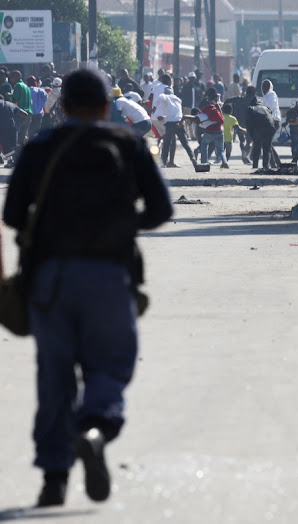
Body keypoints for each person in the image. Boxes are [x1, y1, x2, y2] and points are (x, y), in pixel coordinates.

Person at [2, 68, 172, 508]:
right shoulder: (128, 145)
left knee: (55, 377)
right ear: (104, 107)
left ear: (61, 106)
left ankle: (53, 480)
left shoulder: (40, 147)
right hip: (108, 276)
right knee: (110, 365)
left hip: (50, 281)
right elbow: (160, 210)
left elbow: (14, 215)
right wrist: (118, 226)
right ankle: (94, 430)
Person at [152, 76, 198, 168]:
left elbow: (160, 98)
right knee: (185, 144)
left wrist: (154, 107)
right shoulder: (178, 99)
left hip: (170, 125)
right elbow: (174, 114)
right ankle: (193, 159)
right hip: (180, 123)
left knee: (166, 144)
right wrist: (164, 117)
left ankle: (163, 163)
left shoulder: (164, 96)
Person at [197, 89, 228, 168]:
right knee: (220, 150)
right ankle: (224, 162)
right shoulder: (218, 106)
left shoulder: (205, 105)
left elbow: (200, 115)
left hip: (209, 130)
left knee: (204, 145)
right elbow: (222, 118)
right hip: (219, 130)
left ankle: (204, 162)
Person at [246, 96, 277, 169]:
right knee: (267, 147)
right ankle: (266, 166)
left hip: (259, 128)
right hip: (271, 127)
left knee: (257, 147)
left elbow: (249, 123)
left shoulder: (251, 108)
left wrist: (251, 136)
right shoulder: (266, 108)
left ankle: (255, 166)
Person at [9, 70, 32, 145]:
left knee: (15, 136)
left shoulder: (18, 85)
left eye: (11, 77)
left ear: (16, 77)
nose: (10, 80)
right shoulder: (26, 86)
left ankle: (15, 155)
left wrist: (8, 96)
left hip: (20, 114)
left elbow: (14, 99)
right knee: (22, 139)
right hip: (28, 115)